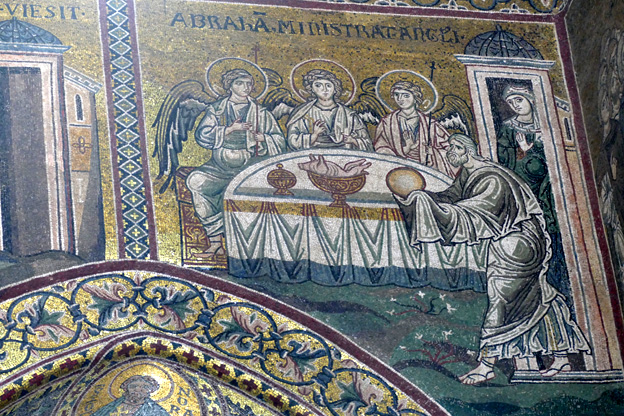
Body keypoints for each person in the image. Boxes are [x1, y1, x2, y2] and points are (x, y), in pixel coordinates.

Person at [389, 133, 590, 385]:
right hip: (507, 241)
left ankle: (486, 365)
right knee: (537, 295)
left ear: (466, 150)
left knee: (501, 300)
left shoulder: (491, 177)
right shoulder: (468, 173)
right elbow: (451, 197)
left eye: (453, 147)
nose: (449, 151)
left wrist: (437, 210)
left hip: (519, 244)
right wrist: (418, 197)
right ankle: (561, 355)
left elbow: (476, 211)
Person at [186, 69, 286, 258]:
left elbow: (280, 141)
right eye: (240, 83)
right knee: (196, 181)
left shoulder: (261, 112)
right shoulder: (217, 109)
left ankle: (255, 248)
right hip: (219, 167)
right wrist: (229, 129)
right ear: (230, 86)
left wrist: (264, 138)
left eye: (249, 84)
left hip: (252, 168)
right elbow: (202, 135)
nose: (245, 87)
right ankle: (216, 243)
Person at [496, 84, 570, 300]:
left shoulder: (547, 124)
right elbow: (506, 162)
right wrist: (524, 152)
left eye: (519, 100)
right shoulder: (509, 129)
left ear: (530, 99)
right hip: (528, 191)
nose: (516, 106)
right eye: (511, 103)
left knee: (555, 237)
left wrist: (533, 149)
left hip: (550, 189)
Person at [374, 81, 456, 177]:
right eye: (396, 95)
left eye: (406, 95)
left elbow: (450, 149)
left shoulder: (431, 124)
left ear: (415, 97)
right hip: (397, 169)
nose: (400, 99)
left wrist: (433, 152)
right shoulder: (387, 122)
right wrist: (405, 149)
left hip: (426, 170)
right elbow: (381, 147)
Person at [286, 69, 372, 151]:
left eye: (328, 85)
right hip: (312, 156)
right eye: (318, 85)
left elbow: (367, 142)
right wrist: (313, 136)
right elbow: (292, 140)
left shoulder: (349, 115)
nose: (324, 89)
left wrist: (353, 140)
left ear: (335, 89)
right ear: (312, 89)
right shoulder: (303, 113)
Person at [90, 375, 169, 416]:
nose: (138, 389)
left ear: (151, 391)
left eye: (145, 387)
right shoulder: (110, 407)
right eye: (133, 386)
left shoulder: (156, 410)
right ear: (126, 388)